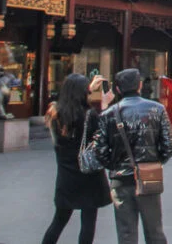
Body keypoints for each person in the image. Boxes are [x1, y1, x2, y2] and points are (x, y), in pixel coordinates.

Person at [95, 68, 172, 244]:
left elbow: (99, 150)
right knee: (154, 231)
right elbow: (170, 143)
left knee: (126, 234)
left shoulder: (108, 114)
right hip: (149, 176)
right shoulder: (157, 109)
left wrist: (115, 164)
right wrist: (156, 161)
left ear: (117, 89)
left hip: (120, 179)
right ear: (140, 85)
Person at [41, 74, 114, 244]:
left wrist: (92, 90)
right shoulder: (89, 115)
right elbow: (102, 136)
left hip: (66, 175)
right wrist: (103, 104)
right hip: (89, 174)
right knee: (88, 222)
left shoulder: (55, 114)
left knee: (59, 220)